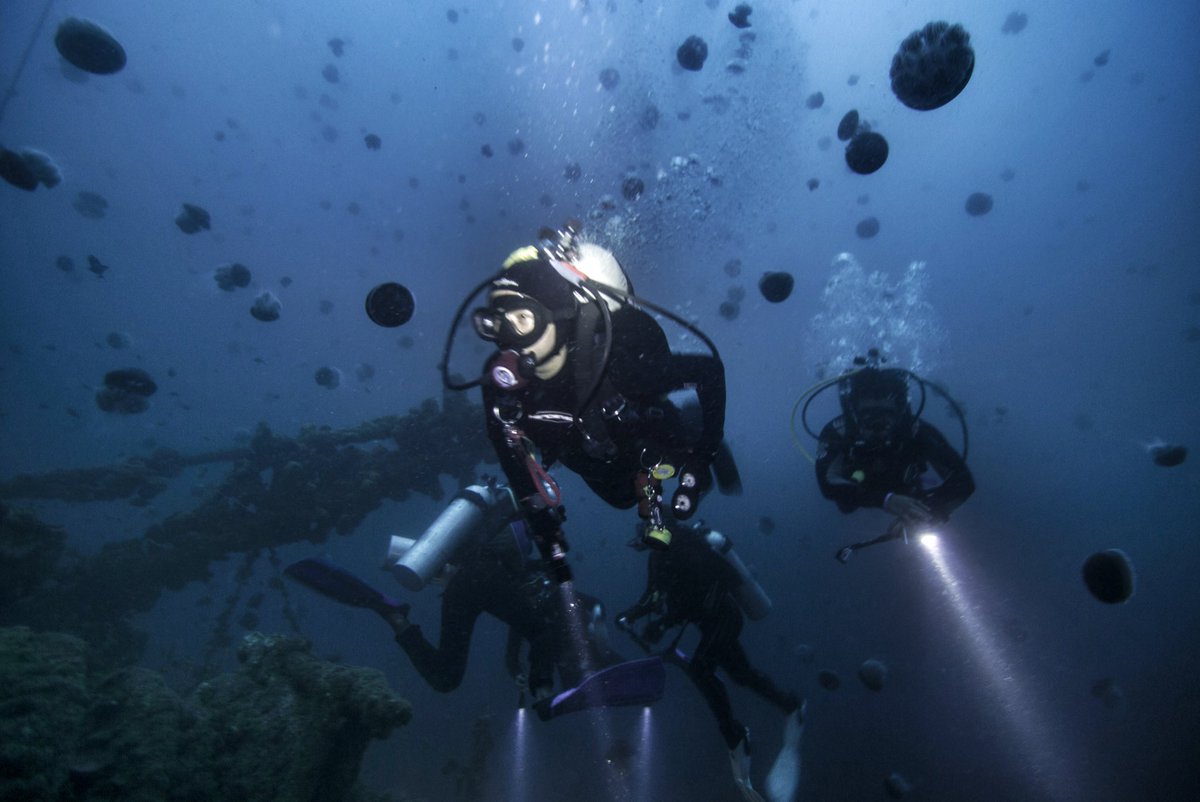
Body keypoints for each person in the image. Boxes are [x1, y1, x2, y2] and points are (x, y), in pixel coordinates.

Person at [442, 220, 736, 582]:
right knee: (623, 499)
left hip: (651, 436)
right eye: (496, 324)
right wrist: (542, 525)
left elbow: (708, 372)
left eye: (522, 320)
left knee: (683, 464)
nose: (508, 340)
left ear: (561, 319)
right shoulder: (501, 386)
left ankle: (700, 435)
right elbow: (510, 456)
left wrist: (703, 455)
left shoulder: (619, 368)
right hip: (593, 458)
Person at [616, 517, 802, 802]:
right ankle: (789, 704)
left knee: (702, 668)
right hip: (708, 623)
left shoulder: (690, 547)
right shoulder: (657, 560)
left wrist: (665, 622)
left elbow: (728, 579)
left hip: (725, 618)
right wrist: (630, 615)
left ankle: (734, 735)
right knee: (741, 674)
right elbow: (650, 597)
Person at [812, 351, 974, 558]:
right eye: (869, 416)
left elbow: (963, 481)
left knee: (914, 496)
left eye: (886, 415)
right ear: (853, 412)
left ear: (899, 412)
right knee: (846, 505)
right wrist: (886, 500)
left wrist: (928, 514)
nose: (878, 425)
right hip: (856, 488)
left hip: (906, 489)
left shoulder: (916, 431)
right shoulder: (838, 432)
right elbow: (828, 484)